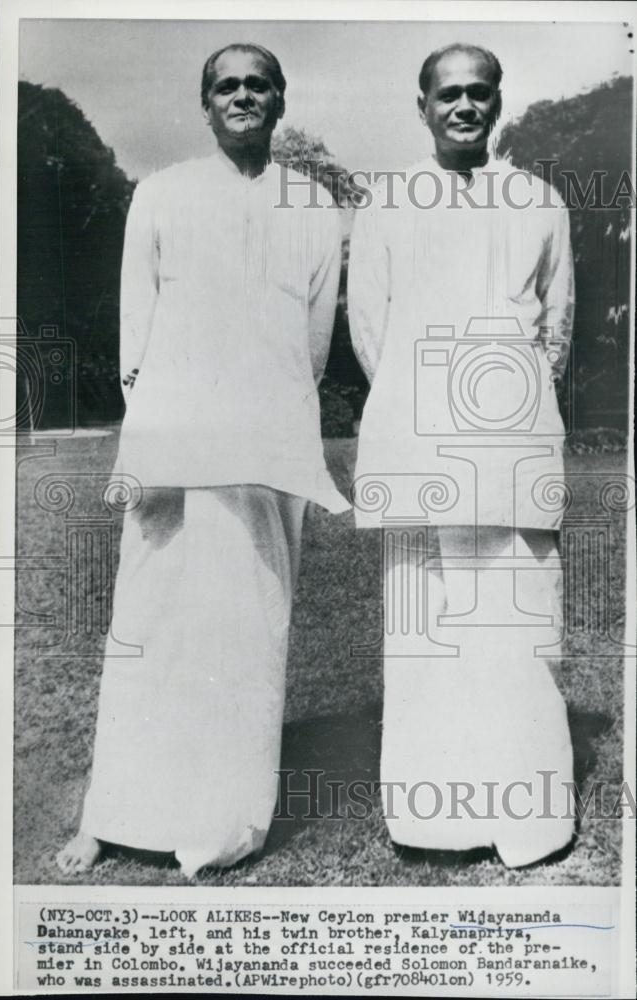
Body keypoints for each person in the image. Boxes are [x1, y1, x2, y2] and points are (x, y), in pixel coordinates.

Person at [57, 43, 348, 879]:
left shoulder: (315, 205)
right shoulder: (162, 193)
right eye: (227, 85)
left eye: (259, 85)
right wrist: (158, 421)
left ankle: (224, 822)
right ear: (205, 102)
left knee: (249, 622)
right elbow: (134, 332)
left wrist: (268, 406)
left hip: (266, 443)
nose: (243, 96)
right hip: (173, 441)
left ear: (281, 100)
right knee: (149, 622)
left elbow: (316, 340)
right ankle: (112, 816)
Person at [348, 44, 575, 867]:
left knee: (517, 628)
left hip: (511, 446)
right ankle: (434, 818)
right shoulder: (386, 202)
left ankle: (529, 815)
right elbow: (369, 328)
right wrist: (424, 404)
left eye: (480, 93)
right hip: (417, 444)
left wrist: (504, 404)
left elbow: (556, 327)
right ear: (423, 106)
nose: (465, 107)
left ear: (499, 102)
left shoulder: (540, 201)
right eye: (449, 95)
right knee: (429, 631)